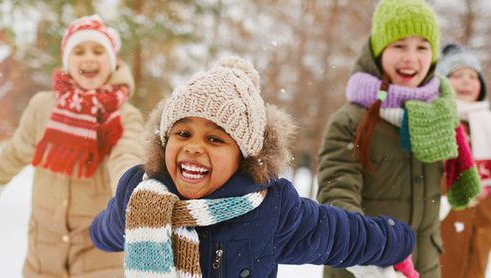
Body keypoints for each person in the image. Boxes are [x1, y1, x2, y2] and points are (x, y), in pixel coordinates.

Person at [89, 56, 417, 278]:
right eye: (183, 133)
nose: (193, 146)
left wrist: (396, 240)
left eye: (215, 139)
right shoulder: (141, 195)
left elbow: (337, 234)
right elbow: (109, 228)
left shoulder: (270, 208)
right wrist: (97, 231)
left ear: (243, 156)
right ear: (164, 142)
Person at [317, 1, 481, 277]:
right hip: (365, 268)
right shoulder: (349, 122)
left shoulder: (439, 114)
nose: (411, 58)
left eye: (422, 47)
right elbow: (337, 193)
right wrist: (365, 254)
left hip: (425, 265)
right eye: (399, 45)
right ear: (378, 51)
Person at [0, 15, 144, 277]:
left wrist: (131, 195)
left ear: (113, 60)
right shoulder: (42, 106)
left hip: (100, 255)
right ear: (66, 60)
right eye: (79, 50)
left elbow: (126, 155)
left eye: (98, 50)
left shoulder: (124, 115)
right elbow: (17, 151)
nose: (89, 57)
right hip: (42, 257)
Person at [437, 43, 491, 278]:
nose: (467, 81)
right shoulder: (437, 120)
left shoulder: (486, 123)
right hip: (445, 213)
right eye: (457, 75)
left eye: (473, 76)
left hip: (482, 219)